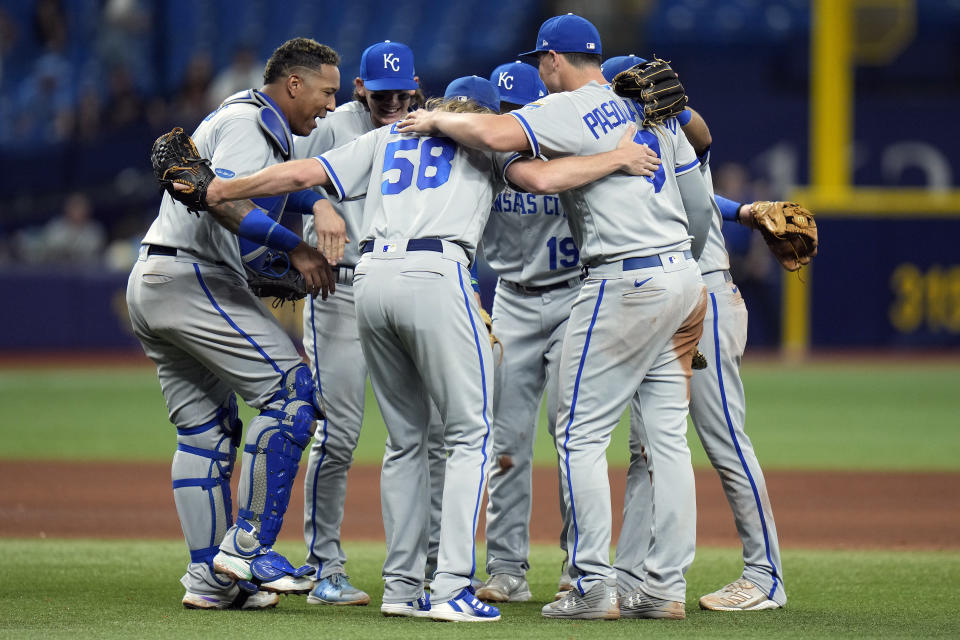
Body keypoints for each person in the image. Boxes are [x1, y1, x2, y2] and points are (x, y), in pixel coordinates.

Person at [197, 72, 660, 621]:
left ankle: (400, 588)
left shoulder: (388, 135)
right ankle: (449, 589)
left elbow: (304, 173)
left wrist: (223, 188)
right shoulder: (482, 142)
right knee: (470, 436)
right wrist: (618, 158)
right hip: (436, 272)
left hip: (369, 276)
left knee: (405, 442)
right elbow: (543, 179)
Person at [397, 13, 718, 620]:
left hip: (623, 279)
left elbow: (494, 137)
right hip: (681, 275)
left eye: (543, 62)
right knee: (668, 441)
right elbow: (697, 199)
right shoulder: (644, 110)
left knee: (577, 433)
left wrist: (436, 116)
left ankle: (593, 585)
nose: (542, 72)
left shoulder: (569, 106)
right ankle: (664, 587)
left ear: (552, 60)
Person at [127, 37, 339, 610]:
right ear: (293, 83)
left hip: (155, 277)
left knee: (206, 434)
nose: (328, 104)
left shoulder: (238, 116)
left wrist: (312, 200)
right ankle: (247, 547)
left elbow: (253, 192)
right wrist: (296, 249)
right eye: (325, 91)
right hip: (194, 277)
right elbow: (223, 199)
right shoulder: (253, 122)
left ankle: (209, 581)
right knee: (292, 394)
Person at [600, 54, 787, 613]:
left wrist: (678, 110)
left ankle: (765, 574)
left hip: (704, 290)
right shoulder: (620, 146)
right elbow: (702, 197)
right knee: (645, 448)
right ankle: (630, 575)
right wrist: (745, 210)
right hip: (661, 297)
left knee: (723, 435)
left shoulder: (674, 130)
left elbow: (702, 136)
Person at [293, 39, 440, 608]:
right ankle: (323, 565)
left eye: (403, 92)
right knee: (338, 435)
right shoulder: (334, 127)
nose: (394, 102)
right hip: (342, 288)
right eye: (382, 94)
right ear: (360, 89)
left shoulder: (428, 125)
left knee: (423, 436)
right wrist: (317, 203)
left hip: (405, 287)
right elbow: (289, 174)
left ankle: (427, 565)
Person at [473, 60, 573, 604]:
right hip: (512, 299)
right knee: (506, 444)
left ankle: (579, 565)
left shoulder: (575, 150)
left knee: (572, 437)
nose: (515, 120)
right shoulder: (485, 158)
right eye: (505, 111)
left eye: (524, 109)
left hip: (573, 297)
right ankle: (507, 569)